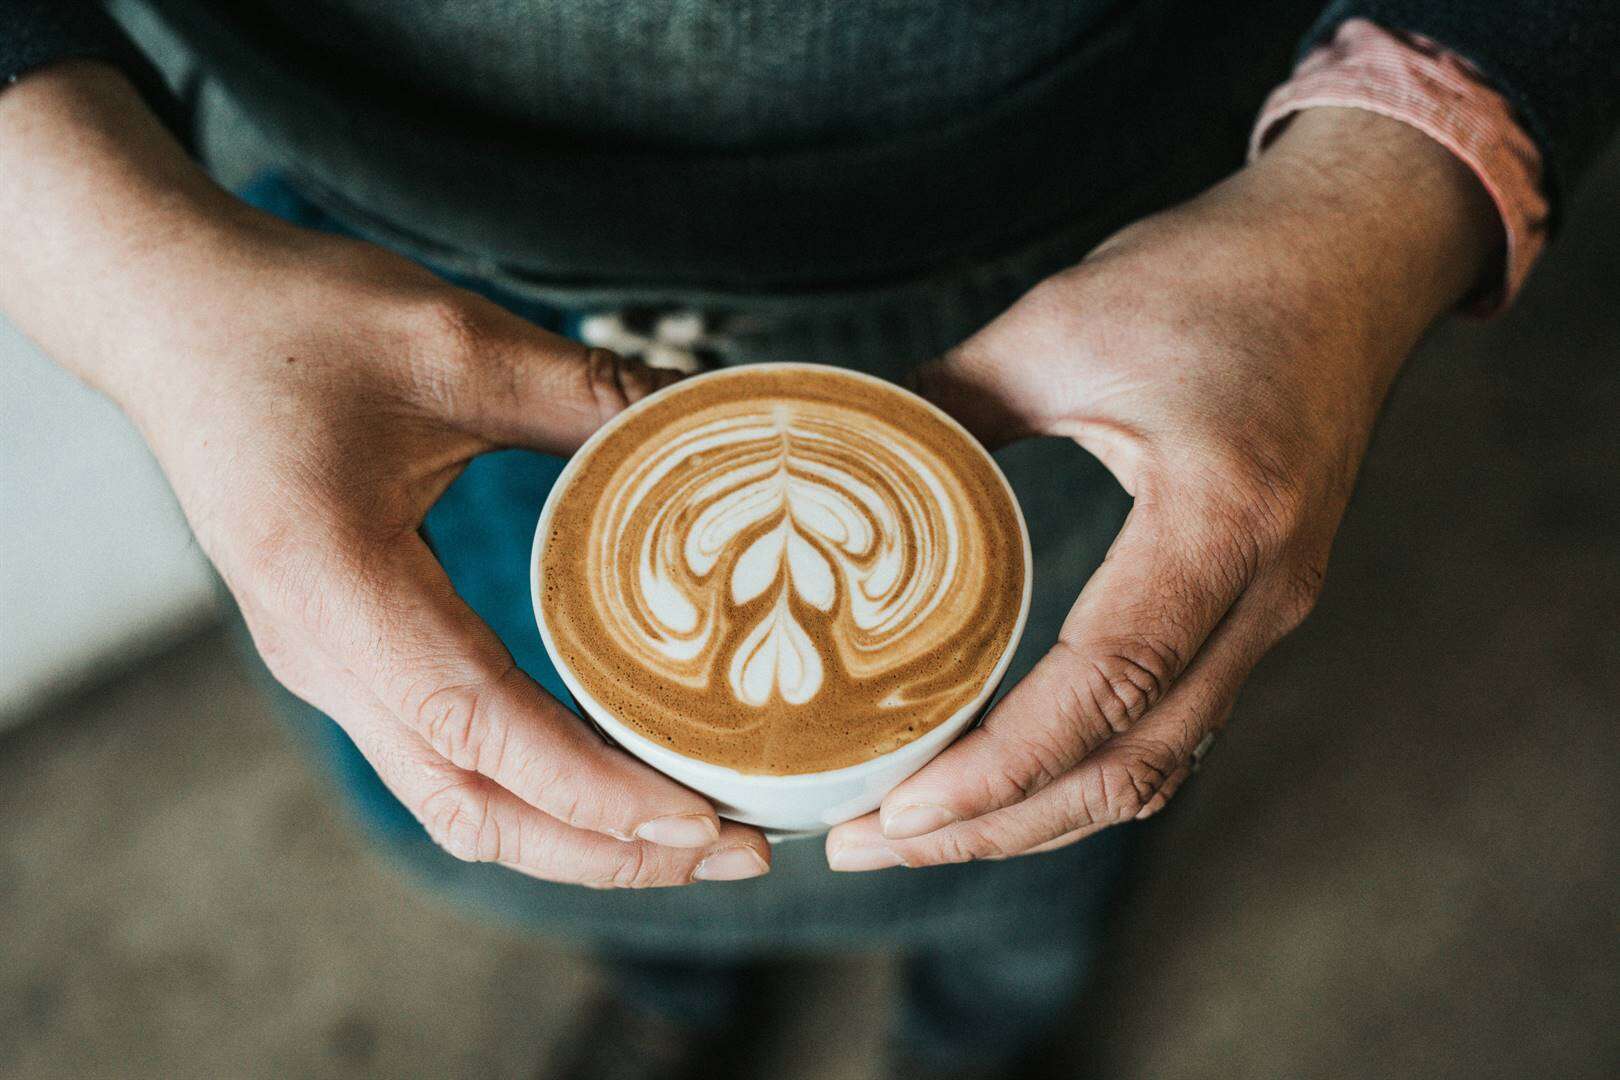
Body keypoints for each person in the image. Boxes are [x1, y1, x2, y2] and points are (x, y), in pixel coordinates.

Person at [2, 1, 1614, 1076]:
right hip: (346, 276)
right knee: (542, 785)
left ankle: (988, 1031)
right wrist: (112, 260)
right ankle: (677, 983)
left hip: (1094, 269)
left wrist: (1399, 165)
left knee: (1063, 787)